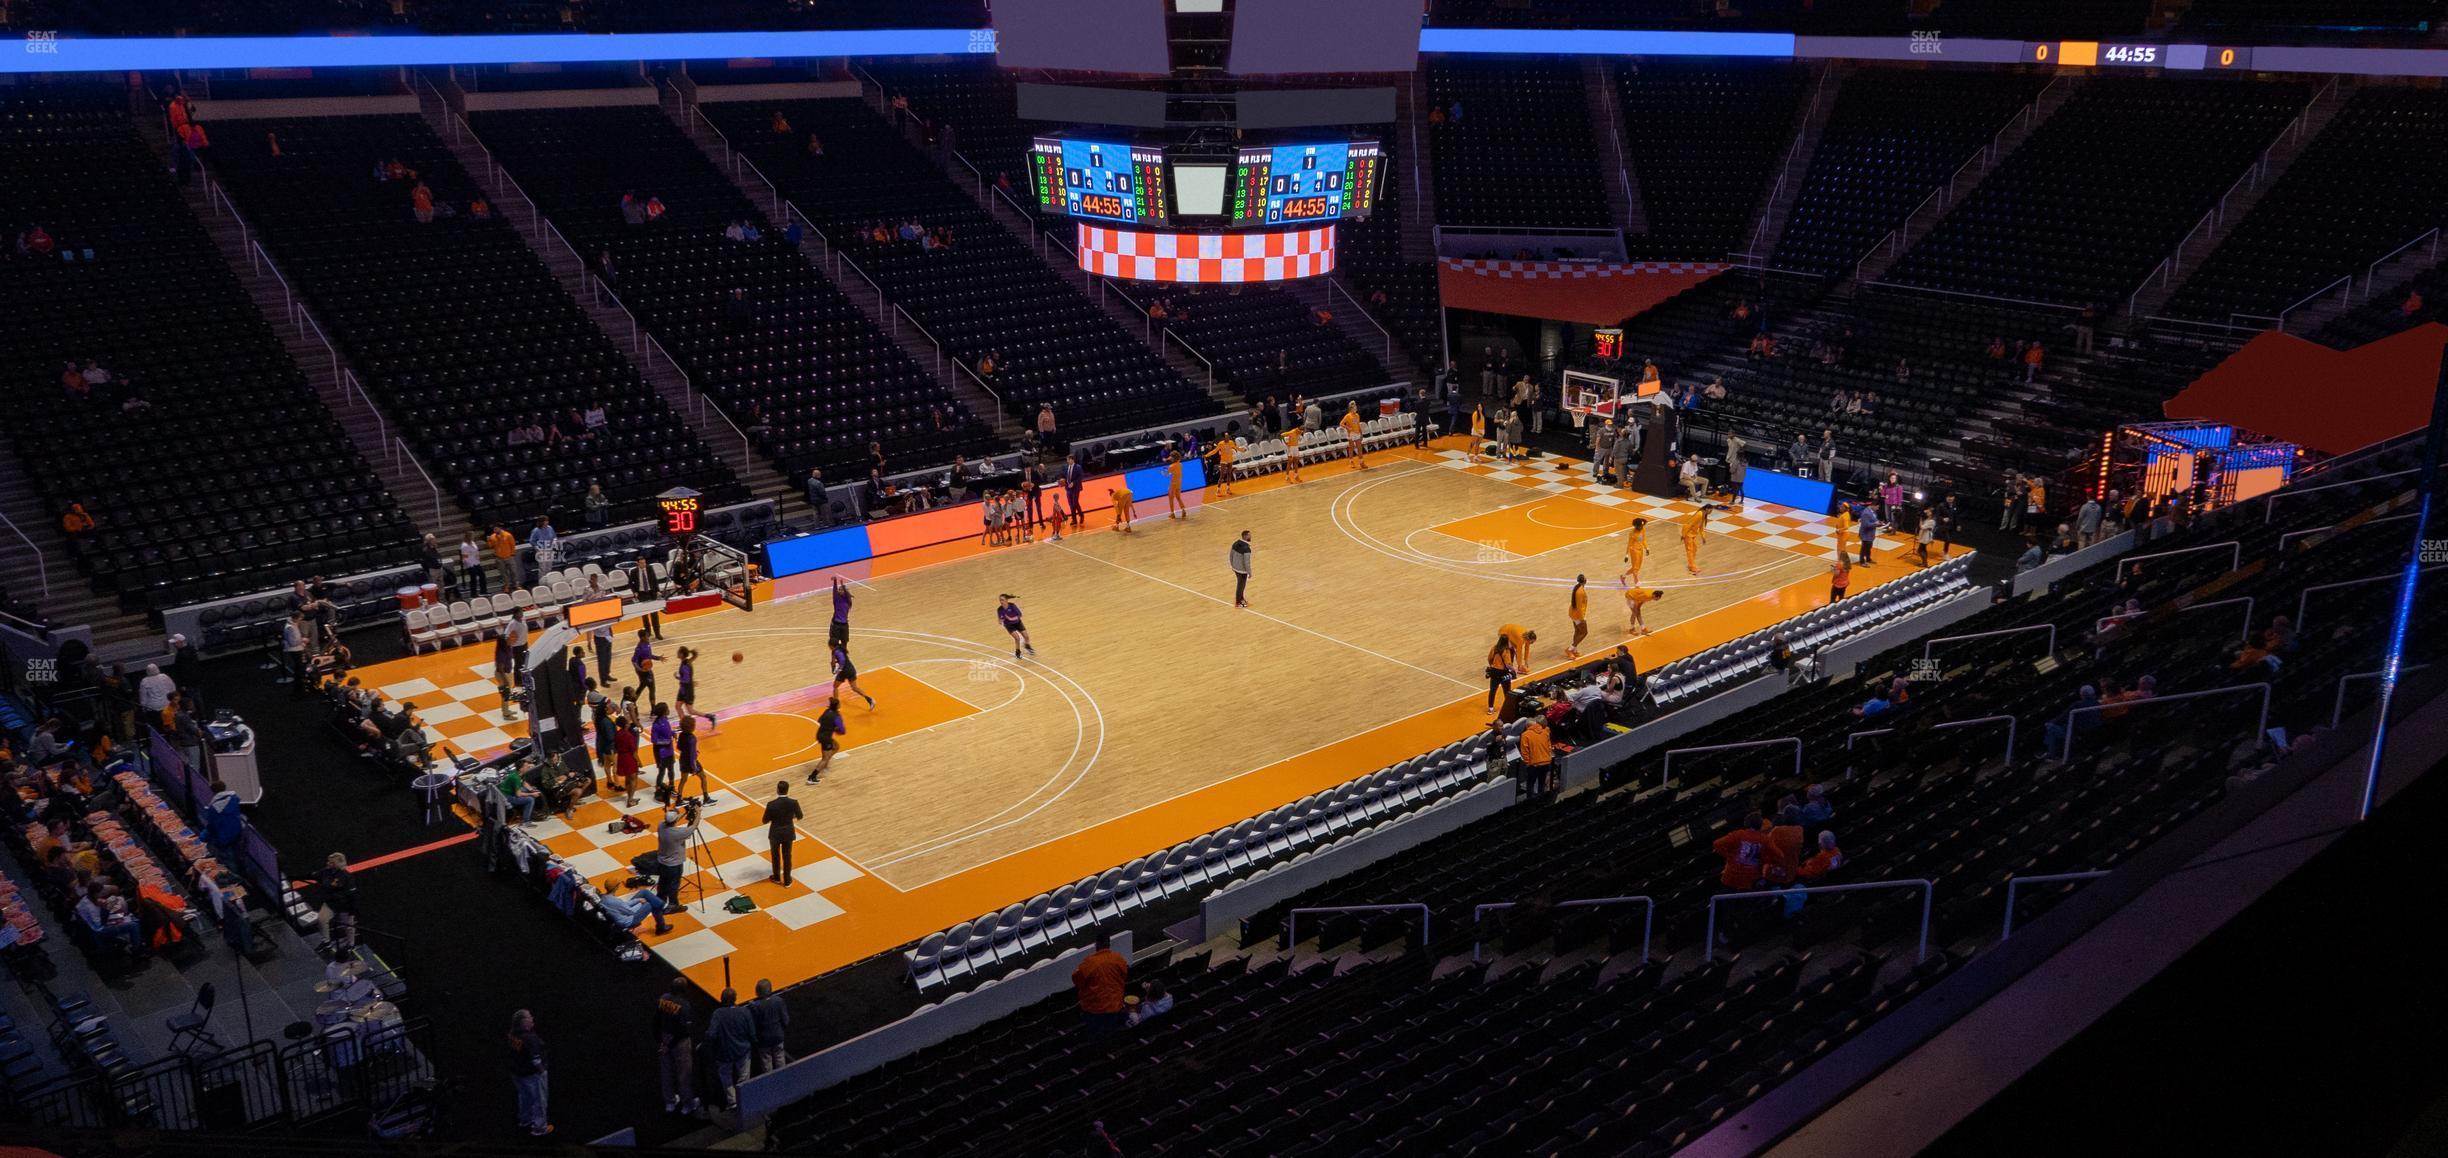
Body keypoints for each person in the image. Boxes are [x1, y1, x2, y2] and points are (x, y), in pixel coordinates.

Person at [706, 988, 755, 1108]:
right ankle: (745, 1099)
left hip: (724, 1053)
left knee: (726, 1077)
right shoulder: (744, 1012)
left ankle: (732, 1100)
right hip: (742, 1050)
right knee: (744, 1076)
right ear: (735, 998)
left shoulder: (718, 1014)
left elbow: (711, 1034)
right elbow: (752, 1032)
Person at [1072, 932, 1129, 1037]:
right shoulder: (1119, 959)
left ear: (1097, 944)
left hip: (1095, 1010)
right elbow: (1124, 976)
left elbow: (1076, 980)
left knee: (1097, 1037)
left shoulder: (1090, 963)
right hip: (1115, 1006)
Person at [654, 978, 698, 1114]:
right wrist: (672, 1043)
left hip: (665, 1038)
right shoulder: (684, 1005)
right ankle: (687, 1105)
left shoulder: (663, 999)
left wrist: (661, 1041)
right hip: (679, 1042)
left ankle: (670, 1102)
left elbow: (655, 1021)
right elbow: (682, 1029)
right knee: (684, 1074)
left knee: (666, 1072)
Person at [508, 1010, 551, 1136]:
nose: (532, 1018)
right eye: (529, 1017)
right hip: (533, 1074)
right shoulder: (530, 1038)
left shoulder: (512, 1036)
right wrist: (542, 1072)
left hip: (518, 1074)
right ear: (523, 1021)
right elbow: (536, 1060)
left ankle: (525, 1120)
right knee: (539, 1100)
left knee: (524, 1097)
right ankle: (539, 1128)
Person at [1711, 814, 1771, 890]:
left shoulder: (1738, 835)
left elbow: (1717, 844)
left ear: (1746, 823)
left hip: (1732, 879)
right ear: (1760, 825)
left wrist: (1728, 855)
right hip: (1750, 881)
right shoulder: (1765, 840)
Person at [654, 806, 696, 911]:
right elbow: (694, 826)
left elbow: (673, 821)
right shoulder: (678, 833)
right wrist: (698, 813)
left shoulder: (661, 826)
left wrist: (685, 813)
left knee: (663, 882)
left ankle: (660, 901)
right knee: (673, 885)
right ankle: (673, 905)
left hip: (662, 862)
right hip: (674, 865)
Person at [749, 978, 789, 1075]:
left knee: (766, 1063)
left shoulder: (755, 1006)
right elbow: (786, 1020)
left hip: (763, 1039)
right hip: (777, 1036)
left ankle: (770, 1082)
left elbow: (753, 1024)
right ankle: (783, 1079)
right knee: (780, 1058)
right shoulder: (778, 1001)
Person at [1517, 710, 1557, 797]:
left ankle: (1530, 802)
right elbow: (1549, 746)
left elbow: (1524, 751)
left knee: (1530, 784)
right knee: (1541, 783)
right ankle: (1541, 801)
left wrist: (1528, 763)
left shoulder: (1525, 735)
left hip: (1534, 764)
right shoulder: (1545, 732)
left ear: (1527, 726)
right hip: (1546, 762)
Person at [808, 697, 846, 783]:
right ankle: (811, 777)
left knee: (836, 746)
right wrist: (835, 728)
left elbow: (819, 720)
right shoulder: (836, 716)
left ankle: (825, 764)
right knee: (825, 758)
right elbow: (842, 731)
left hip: (820, 734)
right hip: (826, 737)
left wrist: (828, 725)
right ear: (837, 706)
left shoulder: (826, 711)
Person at [831, 640, 876, 709]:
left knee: (835, 686)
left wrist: (838, 669)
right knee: (854, 687)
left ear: (831, 646)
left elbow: (842, 661)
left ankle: (836, 706)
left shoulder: (835, 651)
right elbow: (843, 659)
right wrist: (838, 663)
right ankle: (870, 700)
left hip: (844, 671)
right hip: (851, 669)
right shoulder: (841, 649)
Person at [995, 594, 1034, 659]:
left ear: (1006, 600)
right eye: (1000, 600)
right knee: (1017, 638)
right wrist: (1000, 621)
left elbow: (1020, 615)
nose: (1001, 601)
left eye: (1002, 600)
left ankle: (1027, 645)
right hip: (1009, 625)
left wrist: (1011, 619)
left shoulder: (1012, 606)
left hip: (1018, 623)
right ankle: (1017, 652)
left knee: (1026, 637)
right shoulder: (999, 609)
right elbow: (1000, 620)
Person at [1565, 575, 1589, 659]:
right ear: (1584, 581)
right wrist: (1582, 619)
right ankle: (1570, 649)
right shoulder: (1580, 591)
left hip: (1574, 613)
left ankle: (1574, 650)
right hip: (1578, 615)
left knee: (1578, 631)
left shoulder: (1578, 587)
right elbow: (1579, 606)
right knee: (1584, 632)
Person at [1340, 403, 1369, 471]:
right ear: (1351, 409)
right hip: (1351, 433)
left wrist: (1361, 433)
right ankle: (1351, 461)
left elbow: (1358, 425)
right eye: (1354, 408)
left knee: (1359, 448)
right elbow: (1341, 423)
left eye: (1356, 408)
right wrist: (1348, 427)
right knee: (1351, 448)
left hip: (1357, 433)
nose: (1356, 409)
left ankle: (1361, 463)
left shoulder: (1357, 415)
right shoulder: (1347, 416)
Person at [1681, 506, 1708, 576]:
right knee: (1690, 550)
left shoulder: (1703, 515)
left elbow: (1701, 527)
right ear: (1707, 509)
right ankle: (1692, 567)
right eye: (1711, 510)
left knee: (1694, 549)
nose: (1711, 511)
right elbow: (1689, 524)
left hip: (1692, 535)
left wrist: (1703, 537)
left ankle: (1691, 565)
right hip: (1687, 534)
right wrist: (1683, 535)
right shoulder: (1699, 514)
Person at [1229, 531, 1253, 608]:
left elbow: (1231, 555)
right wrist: (1249, 572)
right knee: (1241, 585)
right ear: (1245, 536)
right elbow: (1247, 562)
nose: (1250, 537)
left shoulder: (1235, 543)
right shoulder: (1246, 549)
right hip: (1242, 570)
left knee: (1240, 585)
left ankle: (1241, 598)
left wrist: (1232, 565)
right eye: (1249, 535)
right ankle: (1238, 602)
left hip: (1235, 568)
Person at [1622, 518, 1649, 587]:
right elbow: (1629, 544)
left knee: (1637, 568)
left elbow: (1643, 540)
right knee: (1635, 569)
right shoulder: (1632, 533)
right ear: (1636, 526)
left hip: (1640, 550)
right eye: (1640, 526)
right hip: (1634, 551)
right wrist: (1626, 555)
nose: (1642, 527)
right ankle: (1637, 583)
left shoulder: (1643, 530)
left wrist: (1647, 548)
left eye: (1642, 526)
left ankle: (1623, 576)